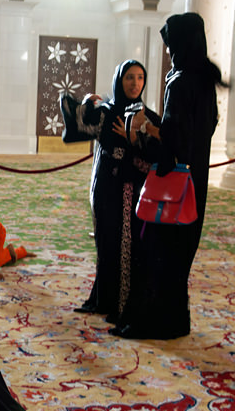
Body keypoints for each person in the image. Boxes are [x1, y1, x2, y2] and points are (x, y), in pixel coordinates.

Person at [112, 12, 226, 339]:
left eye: (169, 43)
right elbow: (201, 132)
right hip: (196, 179)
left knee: (156, 251)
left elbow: (174, 137)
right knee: (178, 257)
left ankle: (152, 323)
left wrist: (146, 130)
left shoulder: (179, 81)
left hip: (172, 181)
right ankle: (175, 321)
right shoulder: (204, 80)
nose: (167, 50)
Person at [61, 60, 161, 322]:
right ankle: (104, 298)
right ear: (119, 79)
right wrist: (85, 103)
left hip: (130, 191)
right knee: (106, 243)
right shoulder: (106, 112)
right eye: (129, 77)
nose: (135, 83)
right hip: (104, 188)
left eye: (140, 78)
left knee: (126, 244)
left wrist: (134, 137)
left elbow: (158, 154)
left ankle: (123, 304)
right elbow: (75, 130)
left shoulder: (146, 116)